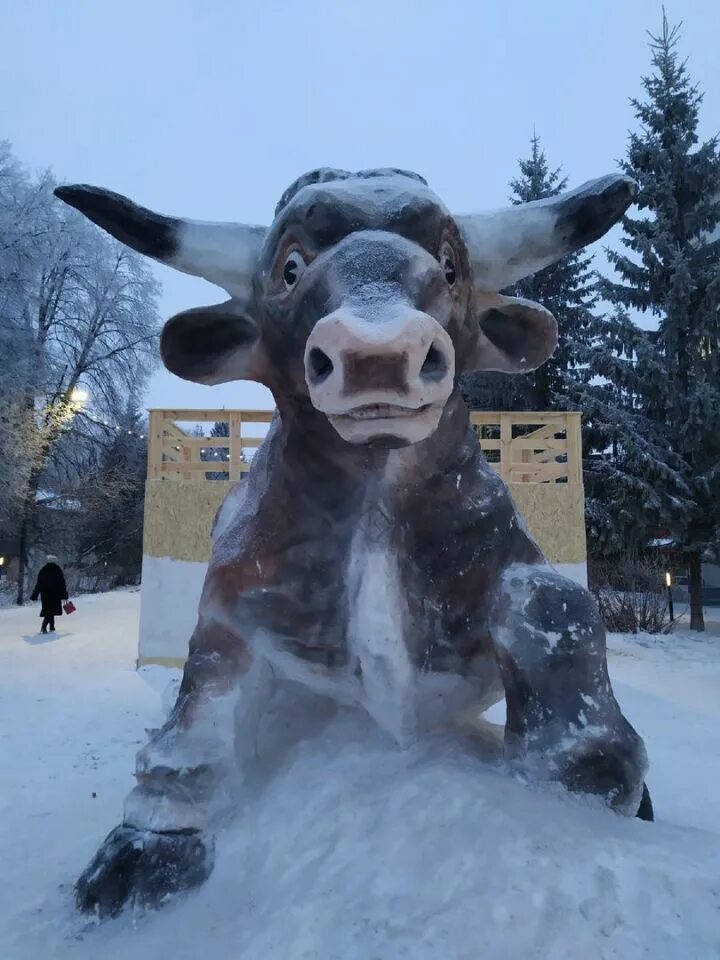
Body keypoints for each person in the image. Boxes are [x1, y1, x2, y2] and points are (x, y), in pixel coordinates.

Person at [30, 555, 69, 633]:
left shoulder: (43, 570)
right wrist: (64, 594)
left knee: (48, 610)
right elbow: (62, 583)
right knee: (52, 610)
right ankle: (44, 627)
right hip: (55, 594)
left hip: (45, 595)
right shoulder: (58, 570)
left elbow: (39, 584)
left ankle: (52, 626)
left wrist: (35, 595)